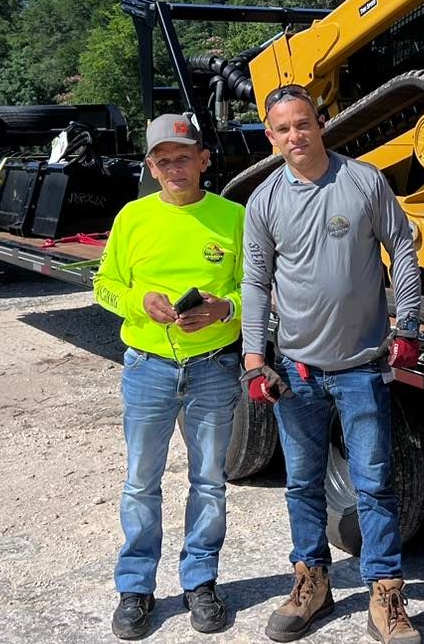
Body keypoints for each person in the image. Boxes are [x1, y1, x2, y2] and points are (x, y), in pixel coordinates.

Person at [241, 84, 423, 644]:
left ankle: (385, 595)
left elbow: (404, 247)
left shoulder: (362, 182)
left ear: (320, 123)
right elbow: (254, 281)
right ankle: (311, 581)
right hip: (295, 374)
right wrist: (253, 358)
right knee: (301, 484)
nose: (295, 136)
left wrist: (408, 326)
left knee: (374, 485)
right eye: (282, 129)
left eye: (303, 123)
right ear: (270, 137)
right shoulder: (265, 201)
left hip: (363, 365)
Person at [93, 113, 246, 640]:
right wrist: (141, 300)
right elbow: (104, 288)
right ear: (151, 167)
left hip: (213, 367)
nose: (175, 167)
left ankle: (200, 582)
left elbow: (258, 293)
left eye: (184, 157)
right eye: (164, 160)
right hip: (148, 368)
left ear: (203, 160)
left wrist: (224, 309)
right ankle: (136, 587)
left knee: (209, 481)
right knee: (141, 482)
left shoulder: (233, 217)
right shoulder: (133, 218)